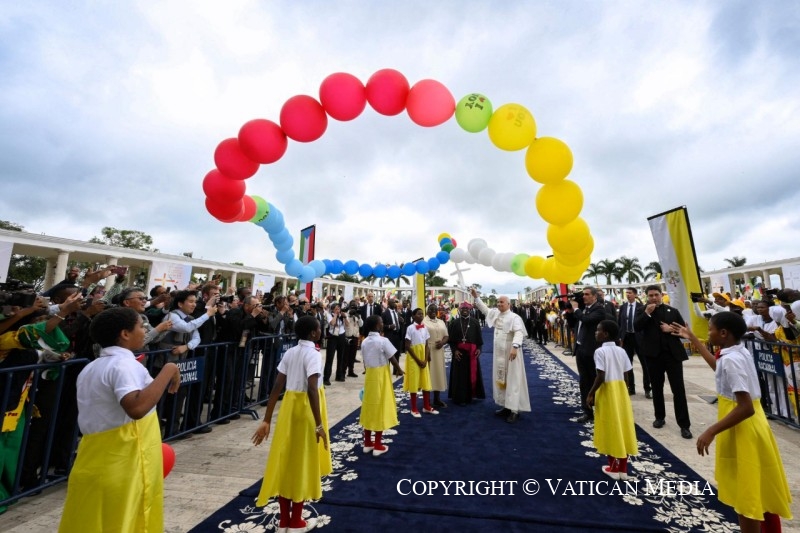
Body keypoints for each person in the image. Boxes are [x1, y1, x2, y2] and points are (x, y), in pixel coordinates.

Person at [59, 307, 181, 533]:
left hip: (95, 460)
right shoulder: (123, 365)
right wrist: (169, 369)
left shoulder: (92, 367)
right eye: (140, 327)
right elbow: (137, 407)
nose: (145, 330)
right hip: (122, 464)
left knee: (91, 522)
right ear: (125, 334)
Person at [673, 312, 792, 533]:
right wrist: (695, 340)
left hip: (743, 426)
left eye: (710, 329)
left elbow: (744, 407)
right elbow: (719, 368)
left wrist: (711, 431)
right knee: (758, 488)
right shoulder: (735, 352)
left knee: (745, 496)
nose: (708, 332)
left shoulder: (731, 360)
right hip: (750, 423)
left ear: (724, 333)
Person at [251, 315, 331, 533]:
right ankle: (296, 521)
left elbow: (277, 386)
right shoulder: (313, 354)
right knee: (302, 462)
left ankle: (284, 519)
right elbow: (312, 389)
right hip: (306, 410)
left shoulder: (291, 352)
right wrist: (319, 424)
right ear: (314, 333)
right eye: (319, 329)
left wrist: (267, 419)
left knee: (286, 460)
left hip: (288, 408)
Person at [634, 285, 692, 439]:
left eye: (656, 295)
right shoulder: (642, 311)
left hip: (672, 355)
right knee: (657, 388)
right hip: (653, 356)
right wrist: (647, 313)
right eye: (651, 295)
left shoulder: (672, 311)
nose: (654, 298)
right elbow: (636, 327)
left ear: (661, 295)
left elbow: (684, 333)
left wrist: (670, 330)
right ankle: (659, 417)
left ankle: (684, 425)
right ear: (646, 296)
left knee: (678, 390)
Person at [587, 320, 638, 481]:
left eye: (598, 330)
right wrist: (626, 390)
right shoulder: (621, 351)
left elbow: (600, 375)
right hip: (621, 390)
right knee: (624, 426)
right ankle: (623, 468)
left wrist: (591, 393)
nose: (596, 333)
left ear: (606, 334)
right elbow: (627, 374)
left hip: (608, 390)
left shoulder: (600, 352)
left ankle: (613, 467)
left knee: (610, 426)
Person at [470, 288, 530, 424]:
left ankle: (514, 410)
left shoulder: (515, 318)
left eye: (502, 302)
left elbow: (519, 333)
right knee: (501, 379)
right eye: (498, 302)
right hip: (499, 354)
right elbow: (485, 309)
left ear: (508, 304)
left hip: (511, 352)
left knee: (513, 380)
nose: (499, 304)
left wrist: (515, 347)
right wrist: (476, 297)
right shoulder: (496, 314)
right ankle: (506, 406)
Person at [360, 315, 404, 456]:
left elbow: (365, 361)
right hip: (381, 377)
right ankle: (378, 444)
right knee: (380, 407)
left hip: (370, 376)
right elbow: (392, 358)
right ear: (377, 326)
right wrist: (398, 369)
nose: (383, 324)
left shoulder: (365, 341)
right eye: (381, 322)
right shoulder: (383, 341)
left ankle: (367, 442)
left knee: (368, 406)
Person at [572, 287, 609, 423]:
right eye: (583, 295)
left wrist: (576, 309)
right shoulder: (585, 309)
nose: (584, 297)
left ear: (594, 296)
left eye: (587, 294)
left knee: (594, 380)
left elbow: (587, 320)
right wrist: (571, 311)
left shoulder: (599, 309)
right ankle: (587, 411)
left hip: (592, 350)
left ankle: (598, 409)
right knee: (583, 381)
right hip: (581, 349)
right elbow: (575, 323)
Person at [447, 302, 485, 406]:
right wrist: (454, 350)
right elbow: (451, 340)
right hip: (459, 353)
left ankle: (470, 396)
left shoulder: (475, 322)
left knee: (470, 374)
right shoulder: (454, 323)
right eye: (462, 308)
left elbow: (479, 340)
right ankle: (459, 397)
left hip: (472, 353)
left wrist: (479, 349)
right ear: (459, 310)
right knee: (459, 376)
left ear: (470, 310)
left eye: (467, 309)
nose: (465, 310)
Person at [403, 308, 438, 418]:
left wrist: (426, 358)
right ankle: (413, 408)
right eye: (419, 314)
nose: (421, 316)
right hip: (414, 358)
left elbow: (427, 344)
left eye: (422, 314)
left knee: (425, 381)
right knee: (414, 382)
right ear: (413, 316)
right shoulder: (410, 328)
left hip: (423, 357)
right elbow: (407, 346)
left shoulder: (425, 328)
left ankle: (426, 406)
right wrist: (418, 360)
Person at [617, 287, 650, 398]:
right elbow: (619, 323)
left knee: (645, 365)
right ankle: (631, 388)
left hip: (639, 338)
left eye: (630, 293)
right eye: (626, 293)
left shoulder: (642, 307)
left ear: (635, 294)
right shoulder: (623, 307)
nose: (628, 295)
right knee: (628, 364)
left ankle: (647, 389)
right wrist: (620, 337)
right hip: (627, 338)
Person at [423, 303, 449, 409]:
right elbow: (421, 338)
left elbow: (446, 336)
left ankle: (437, 399)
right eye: (430, 309)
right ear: (427, 310)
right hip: (428, 350)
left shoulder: (441, 321)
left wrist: (442, 343)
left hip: (439, 351)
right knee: (429, 375)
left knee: (438, 374)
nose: (433, 311)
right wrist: (425, 352)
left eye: (435, 309)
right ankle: (427, 401)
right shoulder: (424, 322)